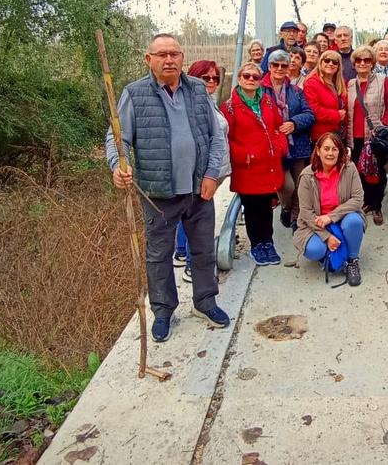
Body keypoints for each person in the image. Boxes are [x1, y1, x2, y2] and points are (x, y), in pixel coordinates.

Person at [107, 34, 231, 343]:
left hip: (198, 188)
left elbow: (215, 136)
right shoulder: (135, 94)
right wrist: (117, 166)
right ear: (148, 59)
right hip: (158, 192)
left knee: (203, 249)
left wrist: (212, 174)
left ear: (182, 58)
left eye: (174, 53)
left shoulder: (198, 89)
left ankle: (206, 302)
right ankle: (163, 310)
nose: (169, 59)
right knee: (159, 254)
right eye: (161, 54)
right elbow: (117, 138)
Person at [221, 63, 289, 266]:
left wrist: (279, 147)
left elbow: (278, 126)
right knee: (252, 208)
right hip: (248, 168)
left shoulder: (267, 102)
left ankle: (268, 242)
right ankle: (257, 244)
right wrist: (244, 155)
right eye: (246, 76)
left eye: (255, 77)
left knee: (266, 207)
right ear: (240, 78)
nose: (251, 79)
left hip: (268, 165)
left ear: (261, 80)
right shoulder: (230, 107)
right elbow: (225, 139)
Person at [172, 60, 231, 283]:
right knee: (197, 217)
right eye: (205, 78)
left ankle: (181, 251)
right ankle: (191, 266)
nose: (211, 82)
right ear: (193, 77)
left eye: (215, 78)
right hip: (203, 171)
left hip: (213, 168)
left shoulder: (208, 101)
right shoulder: (192, 104)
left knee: (187, 211)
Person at [294, 132, 365, 287]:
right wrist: (326, 236)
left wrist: (331, 217)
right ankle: (331, 254)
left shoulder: (349, 168)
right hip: (315, 223)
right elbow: (306, 213)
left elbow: (358, 199)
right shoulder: (307, 176)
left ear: (340, 151)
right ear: (318, 151)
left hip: (342, 218)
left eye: (334, 149)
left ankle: (352, 261)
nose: (330, 153)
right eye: (326, 149)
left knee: (354, 221)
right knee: (314, 249)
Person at [263, 49, 315, 231]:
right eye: (275, 65)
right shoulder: (260, 90)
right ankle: (286, 207)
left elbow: (309, 114)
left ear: (288, 68)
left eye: (283, 65)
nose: (279, 68)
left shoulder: (296, 91)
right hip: (274, 147)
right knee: (286, 186)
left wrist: (294, 123)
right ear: (269, 66)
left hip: (297, 145)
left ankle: (296, 220)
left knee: (300, 186)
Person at [346, 45, 388, 227]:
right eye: (359, 60)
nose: (363, 63)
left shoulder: (383, 81)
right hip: (354, 136)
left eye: (366, 60)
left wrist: (382, 127)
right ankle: (365, 201)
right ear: (354, 64)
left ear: (373, 63)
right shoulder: (350, 84)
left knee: (377, 172)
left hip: (374, 136)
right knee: (360, 171)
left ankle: (376, 204)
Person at [304, 50, 348, 143]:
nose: (331, 64)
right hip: (321, 137)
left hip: (339, 135)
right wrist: (336, 115)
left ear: (339, 66)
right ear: (321, 62)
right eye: (327, 60)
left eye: (335, 62)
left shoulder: (340, 83)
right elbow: (313, 110)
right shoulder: (312, 83)